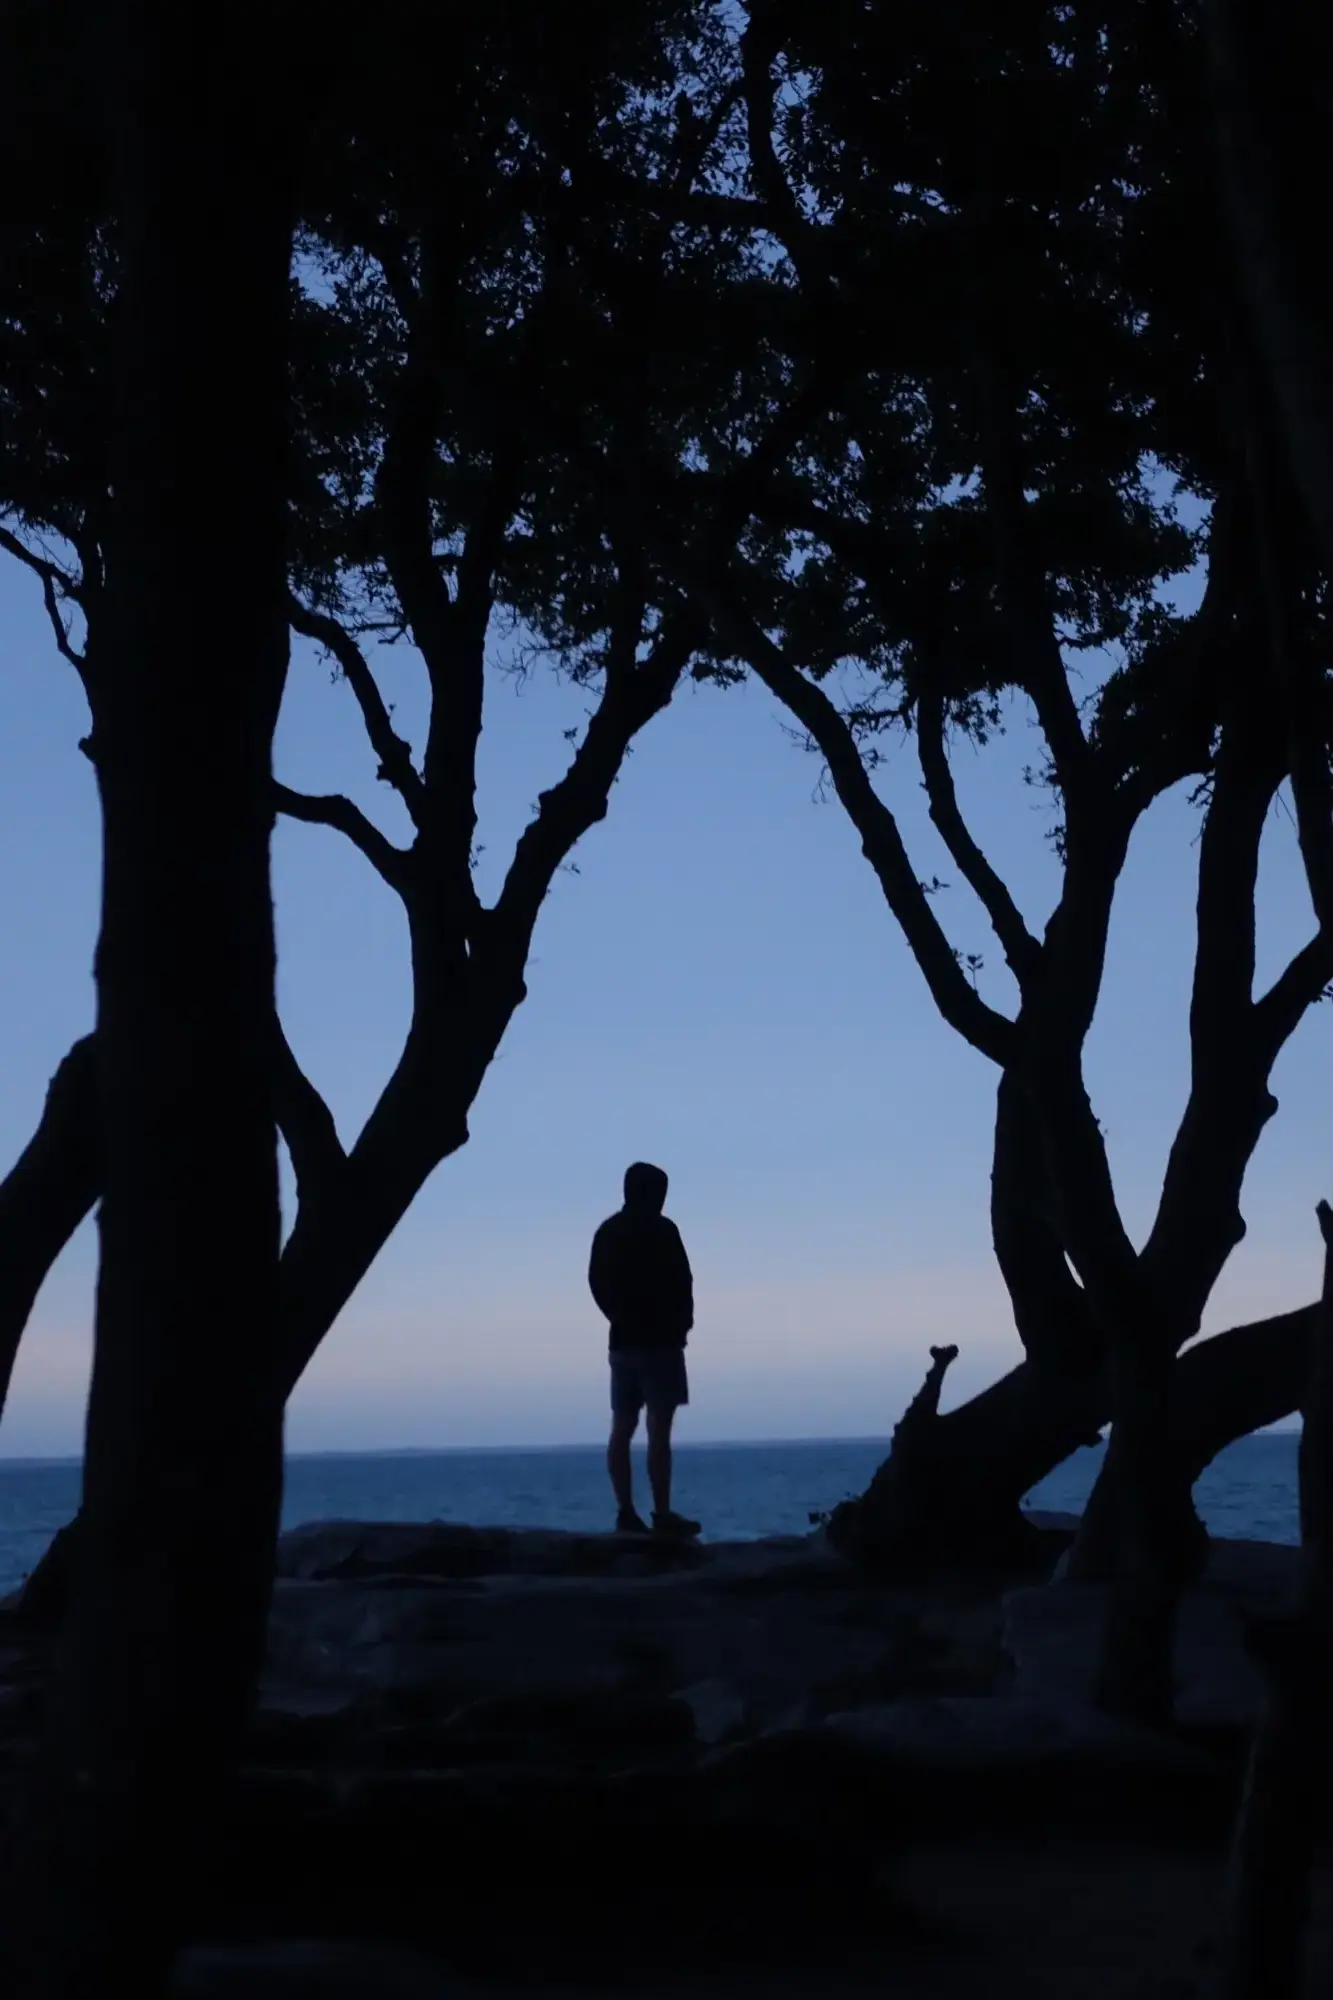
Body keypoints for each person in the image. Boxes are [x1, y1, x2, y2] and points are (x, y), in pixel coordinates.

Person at [588, 1161, 701, 1539]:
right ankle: (662, 1512)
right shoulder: (664, 1230)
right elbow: (683, 1282)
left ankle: (626, 1511)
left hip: (623, 1341)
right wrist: (681, 1326)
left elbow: (596, 1282)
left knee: (622, 1427)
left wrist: (616, 1316)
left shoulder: (608, 1231)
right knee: (658, 1430)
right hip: (660, 1343)